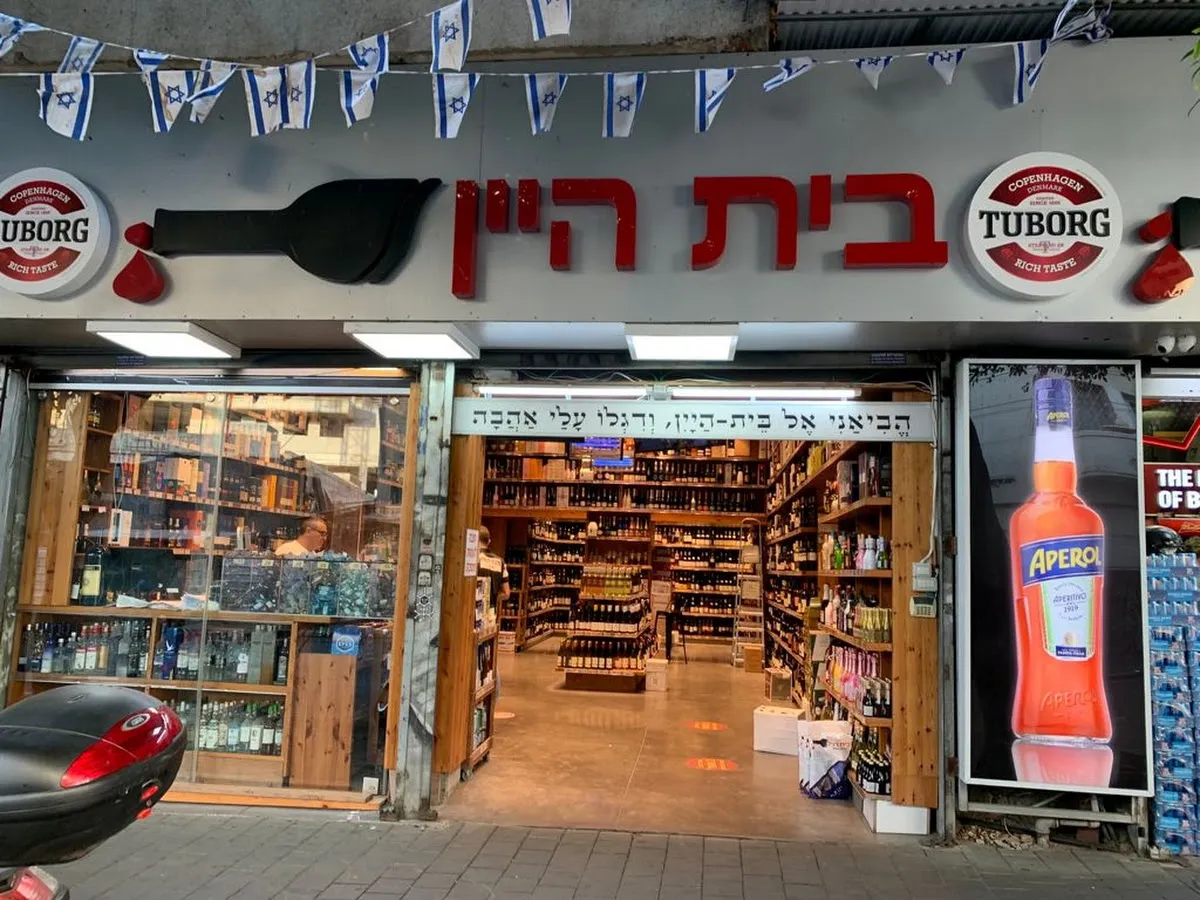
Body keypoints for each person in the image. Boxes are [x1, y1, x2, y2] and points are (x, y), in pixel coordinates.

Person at [477, 526, 509, 605]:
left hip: (470, 608)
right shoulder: (500, 562)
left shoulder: (473, 559)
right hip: (490, 610)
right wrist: (491, 599)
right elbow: (506, 593)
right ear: (489, 542)